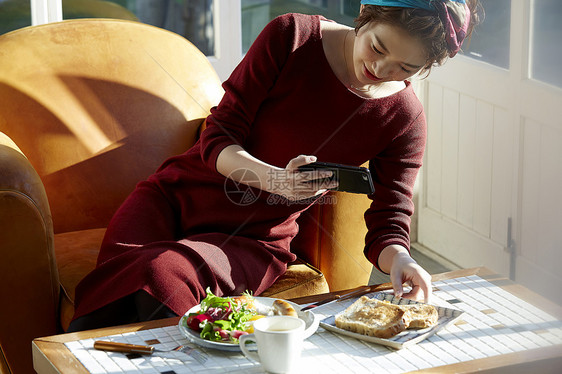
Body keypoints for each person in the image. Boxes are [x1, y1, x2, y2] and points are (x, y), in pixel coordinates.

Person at [68, 0, 481, 332]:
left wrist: (401, 259)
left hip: (252, 240)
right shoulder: (292, 36)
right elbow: (218, 134)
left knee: (160, 272)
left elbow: (389, 218)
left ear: (425, 68)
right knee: (123, 295)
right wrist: (273, 179)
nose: (381, 70)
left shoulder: (404, 119)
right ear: (365, 14)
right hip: (168, 200)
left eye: (406, 68)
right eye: (377, 47)